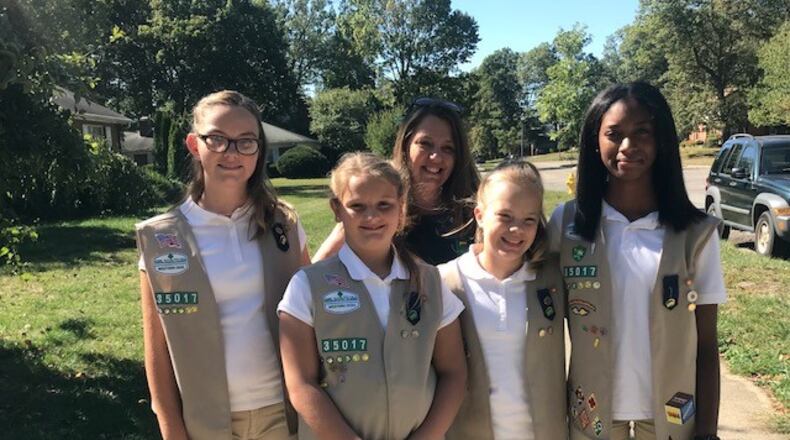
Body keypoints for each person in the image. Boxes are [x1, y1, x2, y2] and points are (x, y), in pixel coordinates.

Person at [548, 82, 725, 440]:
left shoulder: (696, 233)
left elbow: (706, 343)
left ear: (660, 140)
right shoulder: (566, 226)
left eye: (642, 132)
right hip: (591, 417)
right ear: (595, 141)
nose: (628, 146)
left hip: (674, 417)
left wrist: (707, 433)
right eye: (614, 134)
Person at [136, 90, 310, 440]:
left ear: (258, 149)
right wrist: (171, 429)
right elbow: (157, 350)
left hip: (285, 411)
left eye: (246, 142)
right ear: (193, 144)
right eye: (217, 139)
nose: (232, 153)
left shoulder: (284, 225)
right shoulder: (160, 238)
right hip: (206, 421)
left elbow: (312, 314)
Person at [278, 152, 467, 440]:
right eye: (357, 206)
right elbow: (301, 385)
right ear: (337, 210)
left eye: (384, 205)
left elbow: (453, 372)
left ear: (401, 209)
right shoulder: (308, 286)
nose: (372, 217)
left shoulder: (429, 281)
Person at [439, 160, 568, 440]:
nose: (516, 230)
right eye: (505, 216)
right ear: (480, 215)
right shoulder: (444, 282)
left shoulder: (552, 281)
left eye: (528, 220)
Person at [313, 98, 480, 265]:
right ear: (406, 145)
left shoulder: (475, 211)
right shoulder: (379, 202)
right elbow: (317, 269)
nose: (435, 157)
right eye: (425, 144)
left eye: (447, 148)